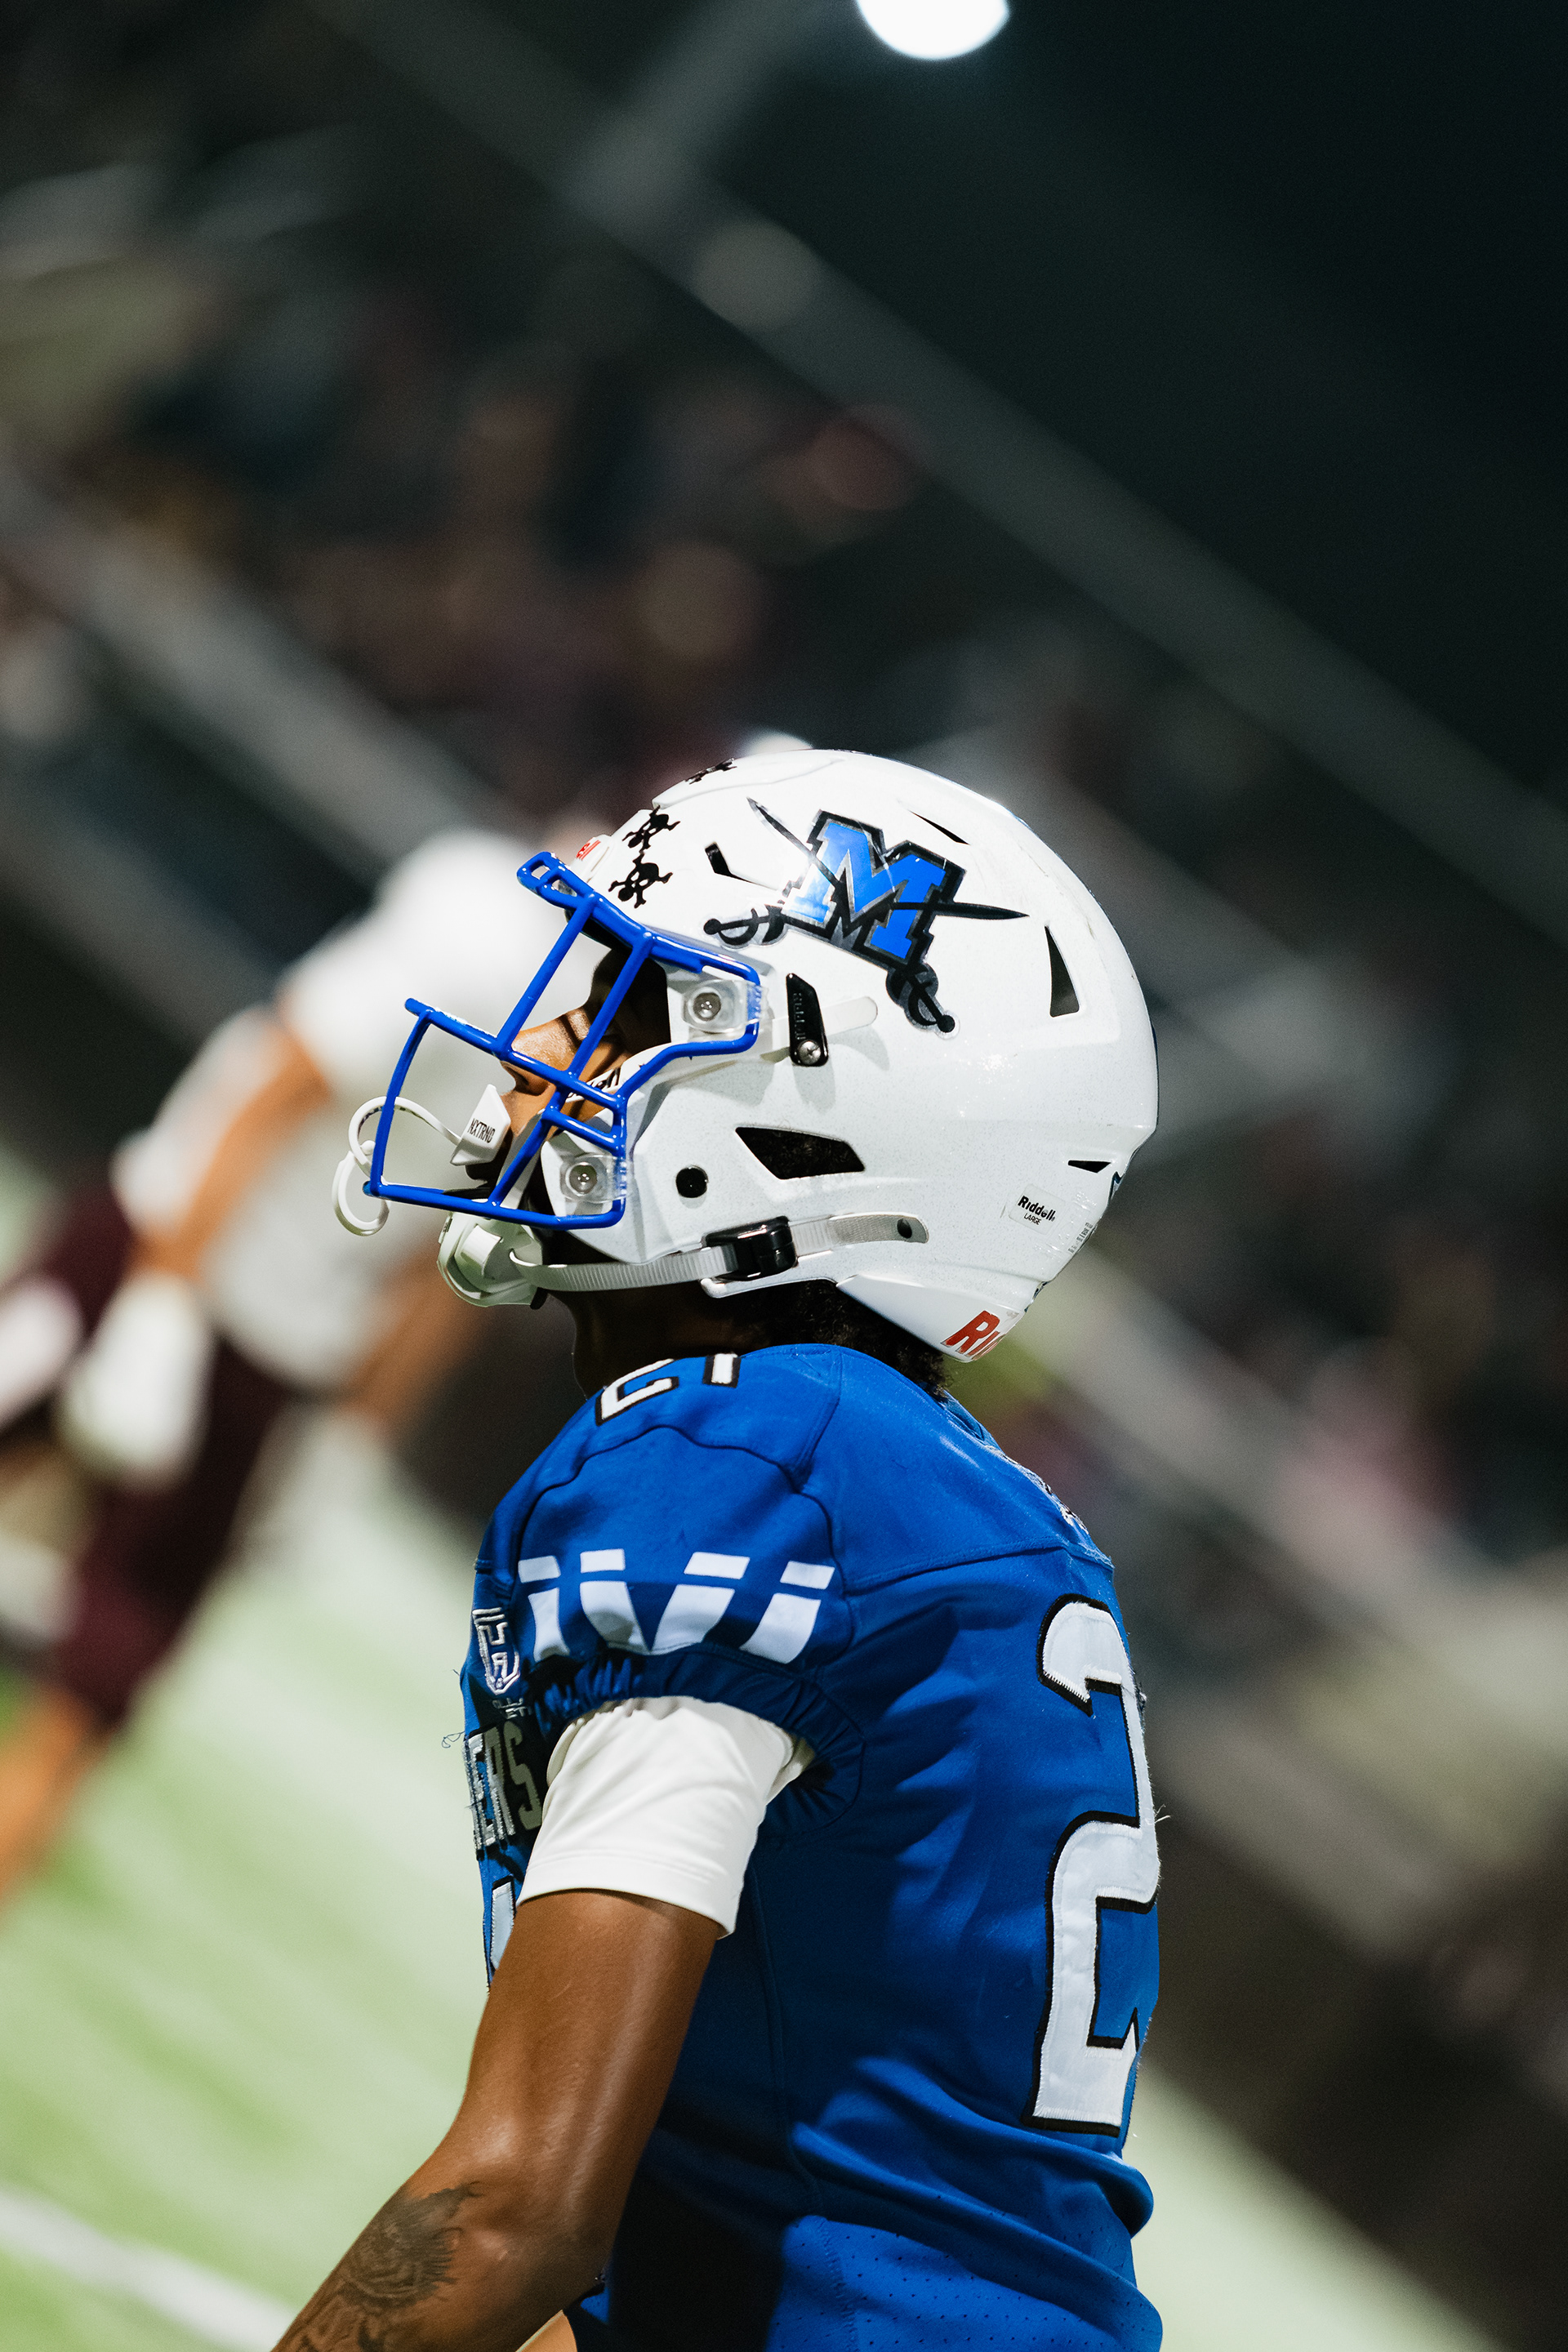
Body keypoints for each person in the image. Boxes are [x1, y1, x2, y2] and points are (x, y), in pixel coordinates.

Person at [277, 747, 1161, 2352]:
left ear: (822, 1132)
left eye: (633, 1012)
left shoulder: (746, 1468)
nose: (552, 1047)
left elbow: (518, 2210)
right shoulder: (925, 1491)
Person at [0, 828, 550, 1901]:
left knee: (94, 1697)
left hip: (277, 1354)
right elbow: (274, 1080)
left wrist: (348, 1440)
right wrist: (160, 1299)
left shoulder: (616, 1047)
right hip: (163, 1253)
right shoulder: (488, 930)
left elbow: (449, 1269)